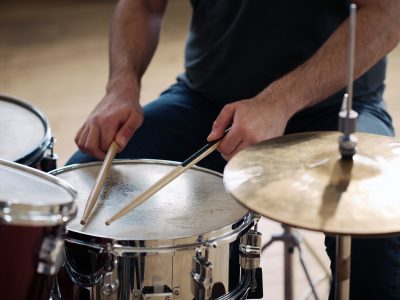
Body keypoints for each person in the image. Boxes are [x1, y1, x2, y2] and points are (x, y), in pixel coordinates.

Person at [68, 0, 400, 299]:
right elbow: (144, 5)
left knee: (375, 235)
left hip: (337, 106)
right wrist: (121, 85)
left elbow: (387, 12)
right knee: (74, 201)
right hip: (207, 102)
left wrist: (278, 102)